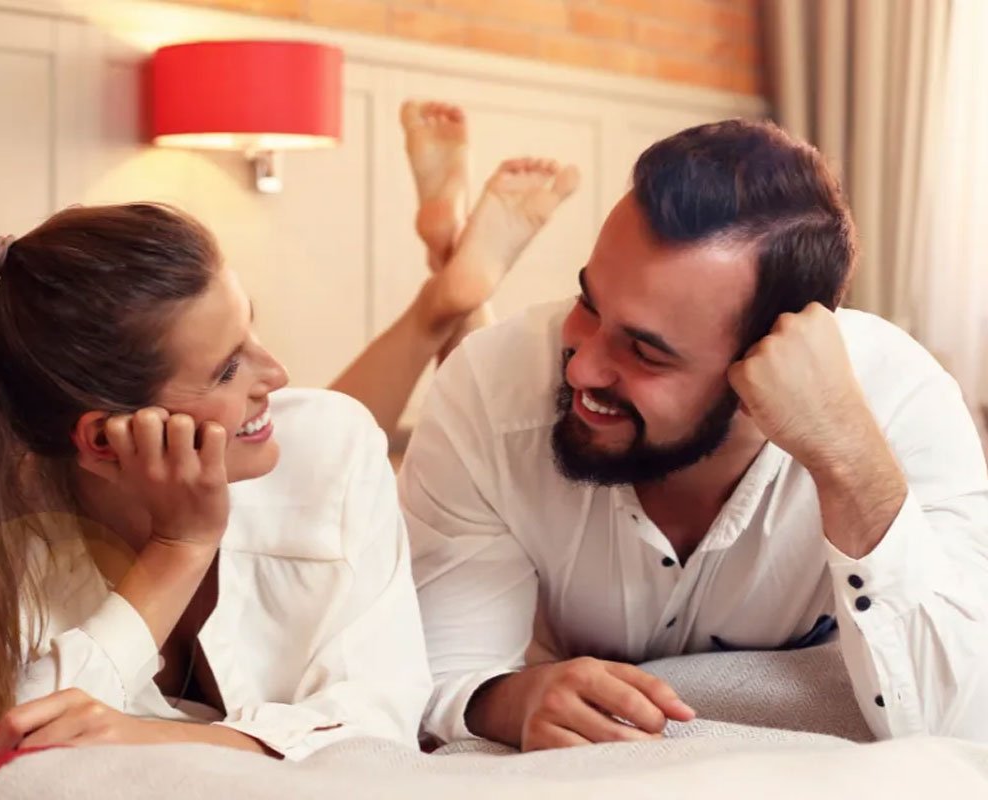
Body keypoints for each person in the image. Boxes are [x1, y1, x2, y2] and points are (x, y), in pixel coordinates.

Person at [0, 102, 579, 759]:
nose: (276, 370)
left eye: (254, 325)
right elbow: (6, 736)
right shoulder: (3, 528)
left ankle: (450, 299)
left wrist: (156, 738)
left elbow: (381, 719)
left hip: (450, 600)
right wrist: (179, 548)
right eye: (224, 369)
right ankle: (450, 294)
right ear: (101, 440)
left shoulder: (331, 445)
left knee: (330, 430)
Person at [400, 118, 988, 750]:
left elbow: (960, 724)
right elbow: (437, 672)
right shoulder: (490, 389)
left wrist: (846, 460)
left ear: (767, 363)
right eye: (589, 303)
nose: (581, 366)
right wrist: (511, 699)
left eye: (646, 353)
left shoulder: (900, 404)